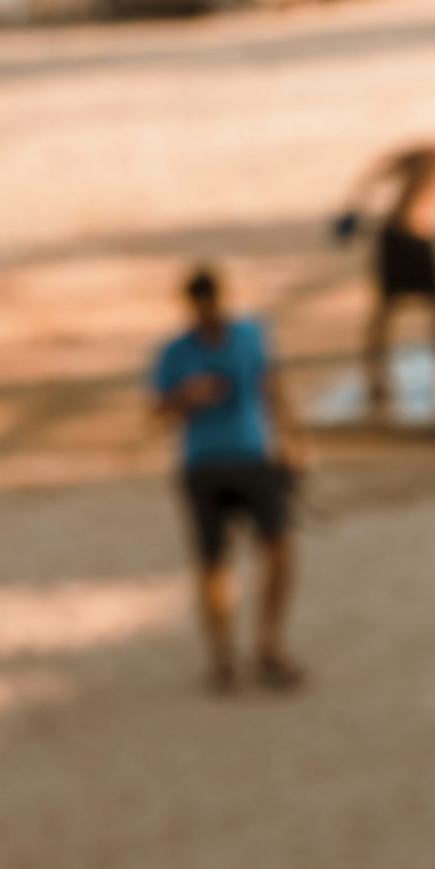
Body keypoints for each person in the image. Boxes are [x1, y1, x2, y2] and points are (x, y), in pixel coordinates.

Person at [151, 265, 305, 695]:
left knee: (278, 551)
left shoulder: (250, 336)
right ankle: (222, 656)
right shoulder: (175, 353)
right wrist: (186, 397)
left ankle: (268, 644)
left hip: (253, 458)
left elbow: (270, 385)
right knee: (213, 563)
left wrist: (290, 440)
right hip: (204, 466)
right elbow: (158, 410)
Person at [343, 123, 435, 420]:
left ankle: (386, 376)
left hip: (407, 236)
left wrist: (358, 204)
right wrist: (357, 205)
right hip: (408, 237)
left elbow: (381, 168)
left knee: (399, 310)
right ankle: (433, 375)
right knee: (413, 309)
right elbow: (384, 168)